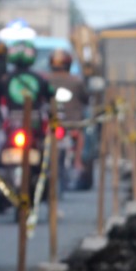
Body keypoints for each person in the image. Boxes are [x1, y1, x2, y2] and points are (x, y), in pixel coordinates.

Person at [44, 48, 89, 191]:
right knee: (80, 134)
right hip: (72, 123)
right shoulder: (76, 81)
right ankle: (77, 161)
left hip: (51, 123)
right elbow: (86, 99)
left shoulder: (44, 79)